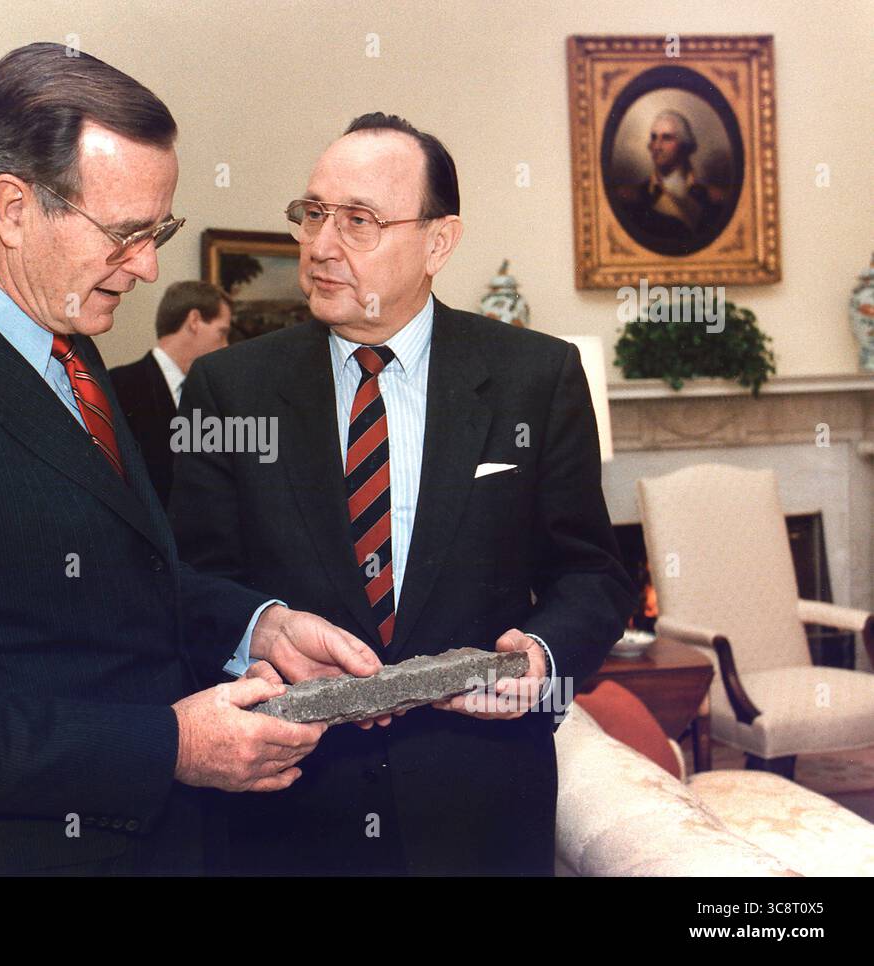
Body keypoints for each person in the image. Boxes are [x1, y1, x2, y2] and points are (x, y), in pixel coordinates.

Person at [0, 42, 385, 876]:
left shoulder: (71, 351)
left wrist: (262, 626)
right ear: (12, 207)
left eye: (159, 231)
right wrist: (169, 744)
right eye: (126, 233)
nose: (147, 266)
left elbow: (124, 578)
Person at [170, 112, 635, 874]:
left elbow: (593, 573)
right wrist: (261, 628)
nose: (320, 246)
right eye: (312, 214)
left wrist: (544, 657)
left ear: (438, 242)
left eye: (358, 222)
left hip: (481, 807)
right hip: (288, 808)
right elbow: (186, 581)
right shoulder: (228, 390)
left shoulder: (535, 379)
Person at [109, 281, 232, 506]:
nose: (226, 346)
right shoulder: (116, 387)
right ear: (194, 321)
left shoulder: (216, 396)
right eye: (222, 333)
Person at [612, 109, 727, 254]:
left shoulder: (714, 198)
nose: (657, 146)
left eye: (666, 138)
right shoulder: (630, 198)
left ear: (685, 145)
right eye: (654, 138)